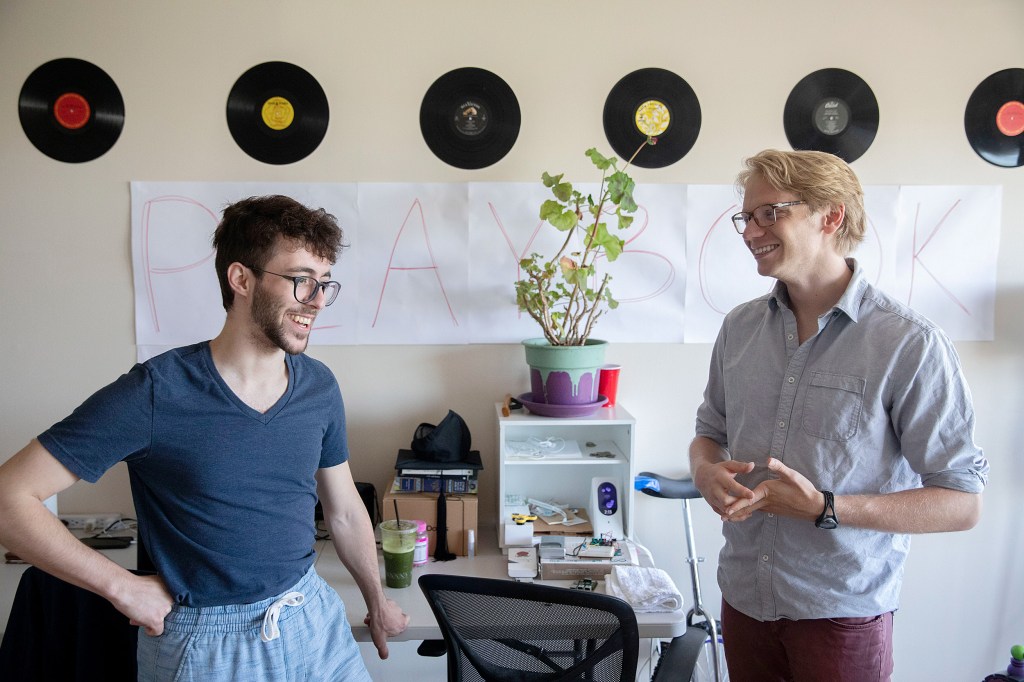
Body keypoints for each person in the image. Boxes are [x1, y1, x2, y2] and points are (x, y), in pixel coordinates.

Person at [0, 195, 408, 680]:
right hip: (208, 647)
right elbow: (9, 498)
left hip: (312, 617)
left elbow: (342, 511)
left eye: (324, 284)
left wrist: (376, 600)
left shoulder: (318, 386)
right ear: (241, 279)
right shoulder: (156, 391)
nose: (317, 300)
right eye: (301, 281)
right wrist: (121, 588)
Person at [689, 150, 989, 682]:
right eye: (746, 216)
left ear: (830, 216)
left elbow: (961, 502)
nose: (750, 231)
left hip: (840, 619)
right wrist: (705, 470)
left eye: (769, 213)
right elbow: (709, 433)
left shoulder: (908, 343)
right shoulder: (738, 329)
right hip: (743, 602)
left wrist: (825, 507)